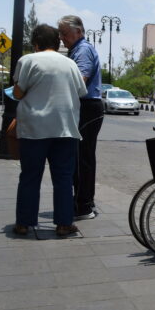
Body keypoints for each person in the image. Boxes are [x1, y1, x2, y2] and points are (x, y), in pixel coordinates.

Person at [12, 24, 87, 237]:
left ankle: (24, 223)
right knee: (63, 178)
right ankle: (64, 224)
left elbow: (18, 92)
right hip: (65, 128)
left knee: (30, 176)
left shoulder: (27, 61)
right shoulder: (71, 64)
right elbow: (81, 90)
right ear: (57, 43)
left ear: (36, 43)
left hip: (34, 128)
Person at [58, 15, 103, 220]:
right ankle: (84, 200)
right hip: (86, 107)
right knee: (82, 156)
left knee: (82, 157)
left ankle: (83, 205)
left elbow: (80, 82)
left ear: (79, 31)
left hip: (87, 107)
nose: (62, 38)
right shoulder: (78, 49)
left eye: (65, 33)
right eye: (60, 34)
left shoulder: (83, 50)